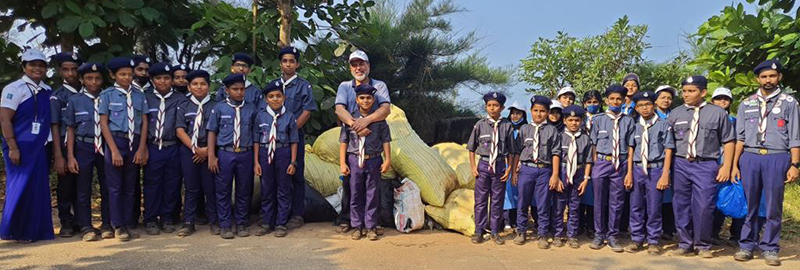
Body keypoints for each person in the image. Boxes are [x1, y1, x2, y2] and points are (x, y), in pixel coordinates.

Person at [732, 60, 800, 266]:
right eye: (764, 77)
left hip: (777, 156)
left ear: (779, 77)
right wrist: (735, 164)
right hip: (750, 157)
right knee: (750, 204)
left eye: (772, 76)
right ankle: (746, 245)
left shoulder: (790, 103)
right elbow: (740, 138)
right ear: (757, 79)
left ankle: (770, 247)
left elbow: (795, 136)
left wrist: (794, 164)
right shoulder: (746, 103)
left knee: (773, 206)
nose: (768, 80)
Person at [667, 75, 735, 258]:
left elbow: (729, 141)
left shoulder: (718, 113)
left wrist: (726, 166)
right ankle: (685, 243)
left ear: (703, 92)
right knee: (681, 204)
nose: (686, 95)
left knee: (704, 205)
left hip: (706, 164)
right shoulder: (675, 114)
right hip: (681, 163)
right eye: (684, 91)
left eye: (691, 91)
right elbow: (669, 145)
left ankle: (703, 244)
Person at [333, 50, 392, 234]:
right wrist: (355, 125)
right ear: (350, 68)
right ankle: (349, 220)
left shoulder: (379, 85)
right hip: (352, 138)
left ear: (368, 66)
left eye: (362, 64)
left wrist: (366, 121)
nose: (358, 68)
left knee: (372, 188)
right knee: (351, 184)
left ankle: (372, 223)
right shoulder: (344, 86)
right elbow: (339, 109)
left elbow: (385, 109)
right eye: (354, 65)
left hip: (373, 136)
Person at [0, 48, 55, 242]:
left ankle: (36, 231)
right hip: (20, 146)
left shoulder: (48, 91)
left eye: (41, 65)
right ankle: (15, 230)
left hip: (40, 146)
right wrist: (13, 146)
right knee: (20, 186)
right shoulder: (14, 89)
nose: (37, 69)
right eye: (32, 64)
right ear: (24, 66)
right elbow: (5, 119)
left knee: (37, 188)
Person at [98, 57, 150, 241]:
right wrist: (113, 150)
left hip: (134, 142)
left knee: (130, 186)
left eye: (129, 74)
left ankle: (128, 223)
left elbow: (144, 122)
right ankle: (117, 225)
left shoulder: (139, 95)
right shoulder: (107, 95)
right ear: (113, 75)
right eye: (122, 74)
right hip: (116, 142)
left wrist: (141, 148)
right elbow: (103, 124)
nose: (127, 77)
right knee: (115, 187)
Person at [64, 62, 113, 241]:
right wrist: (70, 156)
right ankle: (86, 226)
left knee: (107, 185)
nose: (94, 82)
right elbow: (70, 128)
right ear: (82, 79)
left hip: (105, 146)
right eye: (89, 78)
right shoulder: (75, 100)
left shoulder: (108, 97)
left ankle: (107, 223)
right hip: (83, 146)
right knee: (83, 188)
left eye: (98, 78)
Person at [207, 74, 257, 239]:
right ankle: (225, 225)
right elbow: (212, 132)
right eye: (235, 89)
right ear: (227, 90)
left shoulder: (251, 108)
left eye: (242, 89)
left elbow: (255, 135)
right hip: (225, 153)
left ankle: (242, 223)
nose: (239, 92)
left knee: (244, 189)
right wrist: (211, 155)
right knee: (223, 190)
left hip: (245, 153)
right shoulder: (219, 108)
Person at [625, 91, 674, 254]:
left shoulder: (663, 124)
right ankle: (637, 238)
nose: (644, 108)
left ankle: (653, 240)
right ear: (636, 108)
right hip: (638, 168)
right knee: (636, 205)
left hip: (656, 169)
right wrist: (629, 172)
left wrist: (665, 174)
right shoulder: (634, 125)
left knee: (654, 207)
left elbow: (668, 150)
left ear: (653, 105)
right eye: (640, 106)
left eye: (647, 104)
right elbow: (631, 149)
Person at [588, 84, 635, 252]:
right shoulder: (598, 119)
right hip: (602, 162)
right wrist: (595, 165)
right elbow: (593, 144)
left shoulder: (629, 120)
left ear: (623, 101)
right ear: (607, 100)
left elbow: (631, 148)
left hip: (620, 164)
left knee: (617, 202)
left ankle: (613, 235)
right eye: (612, 99)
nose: (615, 102)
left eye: (619, 99)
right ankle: (599, 234)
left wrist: (629, 171)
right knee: (599, 200)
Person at [275, 46, 318, 230]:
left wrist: (290, 131)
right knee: (276, 175)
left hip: (295, 138)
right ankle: (276, 214)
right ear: (280, 64)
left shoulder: (303, 85)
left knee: (296, 175)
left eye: (292, 61)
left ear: (297, 64)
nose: (288, 64)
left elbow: (307, 111)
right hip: (274, 140)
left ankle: (297, 214)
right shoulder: (274, 85)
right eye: (285, 61)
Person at [142, 62, 186, 235]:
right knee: (152, 184)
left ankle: (168, 217)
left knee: (172, 184)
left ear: (172, 81)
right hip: (152, 146)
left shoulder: (180, 99)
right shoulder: (145, 97)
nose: (163, 82)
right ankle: (151, 218)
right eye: (158, 78)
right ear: (152, 80)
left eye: (167, 78)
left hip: (173, 146)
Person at [467, 91, 516, 245]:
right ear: (486, 107)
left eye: (496, 106)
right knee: (480, 200)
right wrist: (473, 166)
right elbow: (471, 148)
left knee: (497, 200)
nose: (492, 108)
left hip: (500, 166)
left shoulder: (507, 126)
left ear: (502, 107)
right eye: (489, 105)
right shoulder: (480, 125)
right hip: (483, 165)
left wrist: (509, 169)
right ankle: (479, 231)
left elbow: (512, 151)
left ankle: (495, 231)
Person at [175, 70, 219, 237]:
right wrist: (196, 149)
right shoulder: (183, 106)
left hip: (211, 151)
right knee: (191, 187)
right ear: (189, 86)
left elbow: (220, 130)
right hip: (189, 151)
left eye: (203, 84)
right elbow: (180, 130)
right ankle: (188, 222)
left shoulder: (217, 106)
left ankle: (214, 221)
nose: (199, 87)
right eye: (195, 84)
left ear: (209, 86)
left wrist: (208, 150)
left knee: (211, 187)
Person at [254, 80, 299, 238]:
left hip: (283, 153)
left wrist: (293, 162)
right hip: (265, 153)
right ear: (266, 99)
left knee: (283, 189)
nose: (275, 99)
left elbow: (294, 141)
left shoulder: (289, 116)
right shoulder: (260, 116)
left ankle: (281, 223)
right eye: (271, 96)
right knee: (267, 189)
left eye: (278, 96)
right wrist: (256, 162)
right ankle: (267, 222)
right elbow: (256, 141)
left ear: (284, 98)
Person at [512, 95, 559, 248]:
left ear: (547, 112)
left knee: (543, 204)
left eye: (542, 111)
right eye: (536, 110)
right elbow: (518, 151)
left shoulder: (552, 131)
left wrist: (555, 175)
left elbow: (556, 153)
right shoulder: (524, 129)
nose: (539, 114)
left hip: (544, 170)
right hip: (526, 169)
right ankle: (521, 231)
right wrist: (514, 171)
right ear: (531, 111)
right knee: (523, 201)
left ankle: (542, 233)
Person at [49, 51, 84, 238]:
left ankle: (81, 219)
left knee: (82, 184)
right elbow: (54, 126)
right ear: (60, 72)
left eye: (74, 69)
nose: (70, 74)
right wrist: (59, 155)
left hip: (85, 145)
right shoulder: (58, 96)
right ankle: (66, 221)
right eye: (66, 70)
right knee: (66, 185)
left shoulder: (87, 91)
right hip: (64, 145)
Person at [552, 105, 592, 249]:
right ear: (564, 121)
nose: (573, 123)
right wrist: (556, 176)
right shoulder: (559, 136)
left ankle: (572, 235)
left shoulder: (585, 139)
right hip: (562, 171)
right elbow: (555, 156)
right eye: (570, 120)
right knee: (559, 205)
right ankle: (557, 234)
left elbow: (588, 160)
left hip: (578, 173)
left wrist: (586, 179)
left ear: (581, 121)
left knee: (574, 206)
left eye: (577, 120)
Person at [709, 87, 744, 247]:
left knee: (737, 196)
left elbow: (739, 142)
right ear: (712, 101)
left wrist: (732, 164)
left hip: (732, 164)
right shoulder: (707, 119)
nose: (722, 101)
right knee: (715, 198)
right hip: (712, 162)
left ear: (730, 102)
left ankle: (736, 235)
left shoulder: (736, 121)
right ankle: (713, 232)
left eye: (726, 99)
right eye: (718, 98)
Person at [653, 84, 677, 240]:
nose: (666, 100)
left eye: (669, 98)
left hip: (675, 159)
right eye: (663, 97)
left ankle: (668, 230)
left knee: (670, 195)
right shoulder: (649, 116)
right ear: (655, 100)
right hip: (655, 161)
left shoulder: (675, 115)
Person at [579, 90, 602, 238]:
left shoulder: (604, 119)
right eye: (589, 102)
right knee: (580, 193)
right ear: (584, 104)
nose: (592, 105)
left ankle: (593, 226)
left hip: (598, 161)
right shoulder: (579, 119)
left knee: (595, 195)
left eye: (595, 102)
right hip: (581, 160)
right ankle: (580, 224)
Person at [503, 101, 527, 231]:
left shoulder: (527, 130)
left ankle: (516, 220)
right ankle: (506, 220)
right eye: (513, 113)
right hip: (507, 164)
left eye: (518, 113)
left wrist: (520, 163)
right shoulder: (506, 128)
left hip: (521, 166)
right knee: (507, 194)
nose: (515, 116)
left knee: (519, 193)